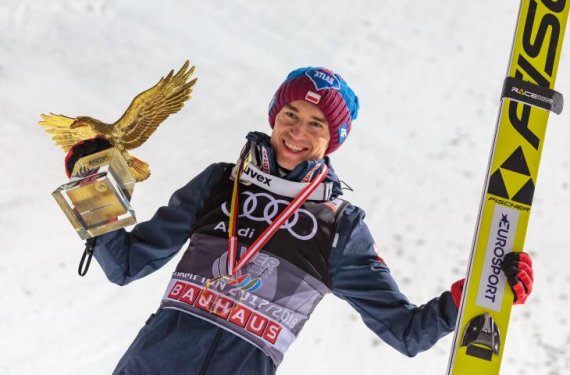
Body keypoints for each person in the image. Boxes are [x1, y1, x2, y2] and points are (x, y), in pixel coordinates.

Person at [66, 67, 534, 374]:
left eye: (316, 124)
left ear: (333, 140)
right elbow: (125, 264)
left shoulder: (339, 228)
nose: (297, 132)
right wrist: (92, 188)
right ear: (275, 115)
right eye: (291, 114)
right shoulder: (219, 184)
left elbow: (406, 332)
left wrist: (476, 294)